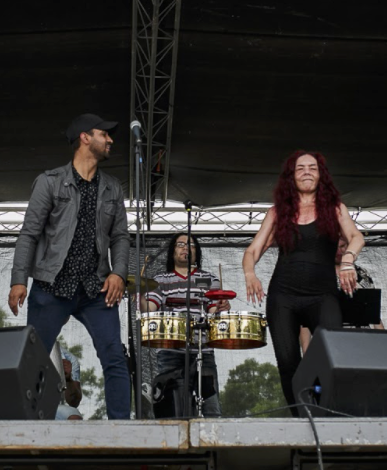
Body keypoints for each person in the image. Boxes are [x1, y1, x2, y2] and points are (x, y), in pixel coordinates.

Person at [8, 113, 132, 419]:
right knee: (33, 363)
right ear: (85, 138)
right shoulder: (49, 182)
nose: (110, 139)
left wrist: (118, 273)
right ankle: (26, 430)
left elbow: (120, 237)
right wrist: (18, 279)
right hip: (52, 286)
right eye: (105, 134)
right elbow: (29, 233)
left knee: (115, 357)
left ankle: (121, 431)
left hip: (95, 288)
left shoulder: (112, 188)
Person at [243, 151, 365, 415]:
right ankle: (302, 418)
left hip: (322, 294)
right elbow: (252, 251)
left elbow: (356, 237)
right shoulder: (277, 213)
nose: (307, 172)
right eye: (300, 168)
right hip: (283, 295)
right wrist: (250, 274)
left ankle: (324, 410)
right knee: (287, 362)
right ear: (291, 176)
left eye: (313, 167)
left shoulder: (335, 208)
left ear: (321, 175)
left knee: (331, 355)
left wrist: (347, 260)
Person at [143, 233, 230, 418]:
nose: (185, 248)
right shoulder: (161, 280)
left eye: (190, 245)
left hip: (203, 350)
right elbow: (149, 308)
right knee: (173, 408)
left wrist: (221, 307)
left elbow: (213, 313)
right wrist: (138, 295)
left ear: (196, 252)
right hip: (170, 351)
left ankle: (211, 446)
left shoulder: (210, 279)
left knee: (211, 409)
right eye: (180, 244)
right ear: (172, 251)